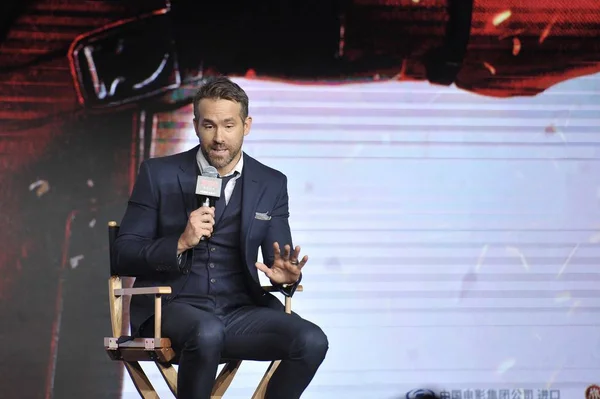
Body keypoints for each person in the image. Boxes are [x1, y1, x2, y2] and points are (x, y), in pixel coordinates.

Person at [113, 76, 329, 399]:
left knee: (312, 340)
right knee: (208, 331)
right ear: (196, 125)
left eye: (229, 126)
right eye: (209, 126)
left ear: (247, 126)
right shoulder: (158, 174)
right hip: (170, 307)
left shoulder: (270, 183)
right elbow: (122, 253)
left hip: (239, 308)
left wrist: (286, 277)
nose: (219, 138)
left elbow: (278, 259)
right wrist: (180, 242)